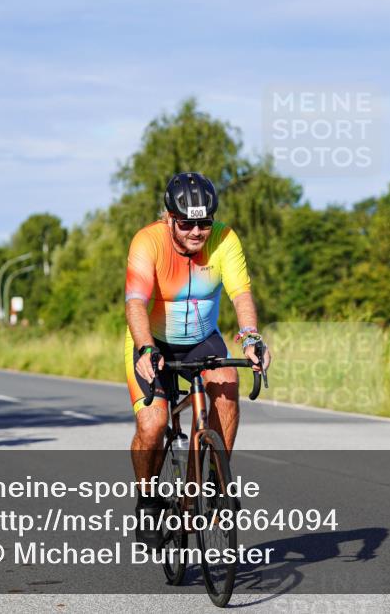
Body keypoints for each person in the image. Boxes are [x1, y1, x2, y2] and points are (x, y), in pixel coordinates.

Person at [124, 172, 272, 544]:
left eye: (203, 223)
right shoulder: (148, 241)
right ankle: (147, 499)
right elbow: (136, 303)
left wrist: (251, 337)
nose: (196, 231)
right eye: (186, 222)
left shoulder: (225, 239)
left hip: (202, 338)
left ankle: (209, 487)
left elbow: (240, 294)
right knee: (153, 426)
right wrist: (145, 348)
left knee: (226, 385)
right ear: (169, 217)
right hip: (153, 341)